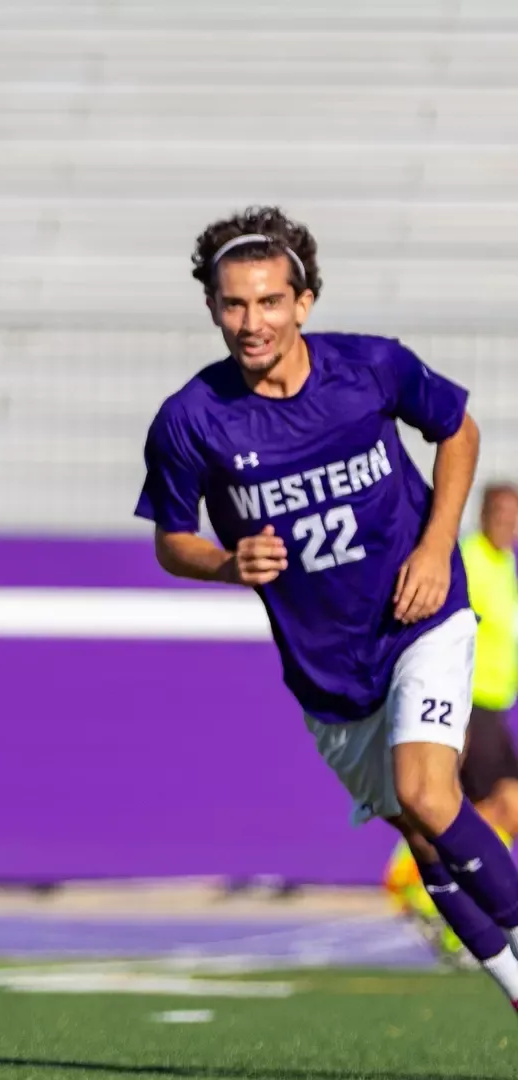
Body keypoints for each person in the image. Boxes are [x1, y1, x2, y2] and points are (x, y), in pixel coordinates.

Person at [133, 205, 518, 1008]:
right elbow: (173, 541)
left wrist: (433, 542)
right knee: (421, 836)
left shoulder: (372, 367)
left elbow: (461, 431)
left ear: (303, 302)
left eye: (270, 301)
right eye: (234, 304)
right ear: (212, 306)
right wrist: (226, 562)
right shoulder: (189, 421)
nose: (252, 321)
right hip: (328, 672)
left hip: (422, 618)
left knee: (427, 793)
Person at [386, 482, 518, 961]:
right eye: (501, 513)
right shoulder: (469, 559)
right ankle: (422, 884)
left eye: (514, 515)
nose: (508, 523)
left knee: (474, 809)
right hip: (469, 703)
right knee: (498, 808)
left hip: (495, 707)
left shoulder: (504, 565)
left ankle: (436, 891)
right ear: (483, 514)